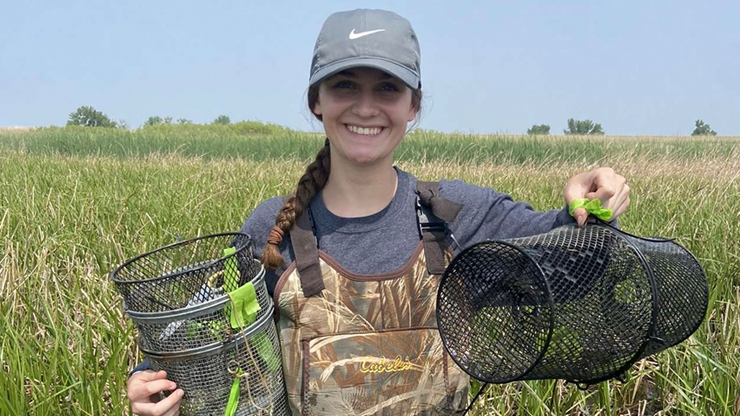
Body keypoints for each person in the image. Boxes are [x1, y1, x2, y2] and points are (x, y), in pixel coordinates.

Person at [127, 8, 630, 416]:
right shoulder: (272, 231)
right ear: (316, 102)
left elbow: (573, 266)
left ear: (413, 105)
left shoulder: (458, 214)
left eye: (387, 88)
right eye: (345, 85)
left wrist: (592, 202)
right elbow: (191, 347)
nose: (366, 107)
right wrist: (147, 389)